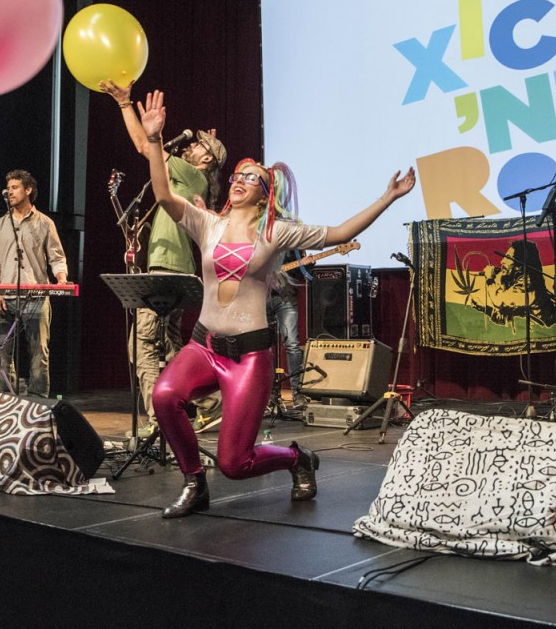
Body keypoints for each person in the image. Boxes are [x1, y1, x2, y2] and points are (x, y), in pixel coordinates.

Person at [135, 90, 416, 517]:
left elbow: (340, 233)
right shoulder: (207, 224)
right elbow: (163, 194)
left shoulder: (277, 232)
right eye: (238, 175)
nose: (239, 180)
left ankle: (297, 459)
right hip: (203, 347)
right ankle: (194, 483)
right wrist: (155, 139)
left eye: (250, 178)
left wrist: (387, 197)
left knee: (235, 464)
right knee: (165, 394)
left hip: (248, 358)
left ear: (265, 193)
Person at [100, 80, 226, 426]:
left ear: (207, 160)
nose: (191, 145)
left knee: (142, 344)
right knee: (170, 346)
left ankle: (161, 420)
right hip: (175, 269)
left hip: (166, 270)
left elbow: (144, 145)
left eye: (199, 145)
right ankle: (210, 403)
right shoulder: (192, 180)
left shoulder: (191, 174)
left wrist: (124, 104)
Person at [0, 169, 69, 398]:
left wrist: (61, 278)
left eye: (14, 187)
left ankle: (37, 403)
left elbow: (57, 258)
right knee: (3, 355)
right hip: (6, 297)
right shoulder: (0, 225)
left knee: (39, 354)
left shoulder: (45, 223)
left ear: (28, 190)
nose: (9, 192)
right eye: (8, 188)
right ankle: (7, 401)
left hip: (36, 297)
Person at [267, 250, 311, 411]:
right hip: (260, 297)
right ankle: (270, 393)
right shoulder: (256, 240)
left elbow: (301, 270)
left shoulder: (292, 243)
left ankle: (297, 393)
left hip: (285, 298)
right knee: (265, 348)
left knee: (292, 344)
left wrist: (308, 264)